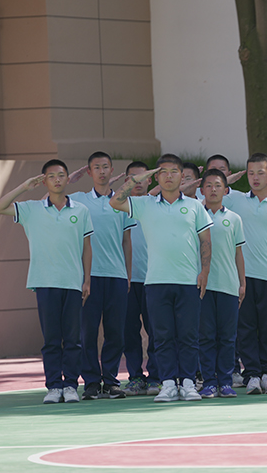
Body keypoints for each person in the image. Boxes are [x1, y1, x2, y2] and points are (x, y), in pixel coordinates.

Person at [110, 154, 213, 403]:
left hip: (188, 281)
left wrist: (204, 272)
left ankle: (187, 383)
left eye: (174, 171)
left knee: (188, 335)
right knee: (162, 336)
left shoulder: (195, 206)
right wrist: (137, 179)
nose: (169, 176)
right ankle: (167, 383)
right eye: (163, 172)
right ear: (156, 177)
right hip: (156, 282)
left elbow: (206, 241)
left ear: (182, 176)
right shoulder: (145, 204)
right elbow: (116, 201)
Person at [0, 159, 93, 404]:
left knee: (73, 340)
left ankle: (70, 385)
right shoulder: (31, 209)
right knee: (51, 340)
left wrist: (87, 280)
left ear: (68, 178)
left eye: (61, 175)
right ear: (44, 181)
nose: (57, 180)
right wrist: (24, 187)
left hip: (72, 283)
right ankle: (54, 387)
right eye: (51, 176)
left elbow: (87, 247)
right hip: (45, 282)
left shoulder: (80, 210)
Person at [222, 153, 267, 395]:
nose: (255, 177)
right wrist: (227, 180)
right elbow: (207, 194)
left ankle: (265, 373)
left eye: (260, 173)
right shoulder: (236, 201)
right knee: (246, 327)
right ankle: (251, 374)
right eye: (251, 173)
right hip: (242, 277)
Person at [69, 152, 135, 400]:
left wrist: (128, 275)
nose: (102, 171)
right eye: (96, 167)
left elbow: (127, 241)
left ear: (112, 170)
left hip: (116, 276)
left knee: (115, 332)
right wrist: (70, 180)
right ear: (89, 172)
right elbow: (47, 200)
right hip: (89, 277)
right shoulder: (79, 200)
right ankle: (91, 382)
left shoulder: (122, 202)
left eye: (105, 167)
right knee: (88, 332)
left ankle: (110, 381)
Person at [198, 169, 246, 399]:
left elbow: (239, 253)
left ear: (226, 190)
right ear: (201, 190)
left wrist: (242, 283)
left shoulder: (234, 219)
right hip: (203, 287)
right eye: (208, 185)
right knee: (206, 336)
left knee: (227, 337)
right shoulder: (196, 216)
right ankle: (209, 382)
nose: (213, 189)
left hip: (228, 285)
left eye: (217, 185)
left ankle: (225, 382)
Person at [121, 161, 161, 396]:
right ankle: (135, 377)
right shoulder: (118, 206)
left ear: (150, 179)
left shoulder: (157, 205)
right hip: (126, 280)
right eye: (132, 178)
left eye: (141, 177)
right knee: (129, 332)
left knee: (156, 331)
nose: (137, 182)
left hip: (154, 278)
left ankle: (156, 377)